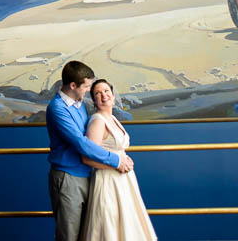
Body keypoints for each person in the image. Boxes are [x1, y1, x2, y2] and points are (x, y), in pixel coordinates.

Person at [46, 61, 134, 241]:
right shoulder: (57, 109)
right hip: (68, 178)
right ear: (73, 85)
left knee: (88, 234)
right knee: (69, 235)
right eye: (86, 86)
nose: (88, 90)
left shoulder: (80, 105)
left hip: (89, 177)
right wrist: (116, 160)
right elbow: (81, 144)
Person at [81, 79, 157, 240]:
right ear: (94, 100)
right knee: (110, 226)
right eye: (97, 93)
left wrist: (124, 159)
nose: (103, 95)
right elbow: (87, 158)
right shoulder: (97, 122)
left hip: (124, 182)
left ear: (113, 95)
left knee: (127, 226)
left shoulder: (112, 118)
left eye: (106, 91)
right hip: (108, 182)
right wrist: (116, 164)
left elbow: (114, 148)